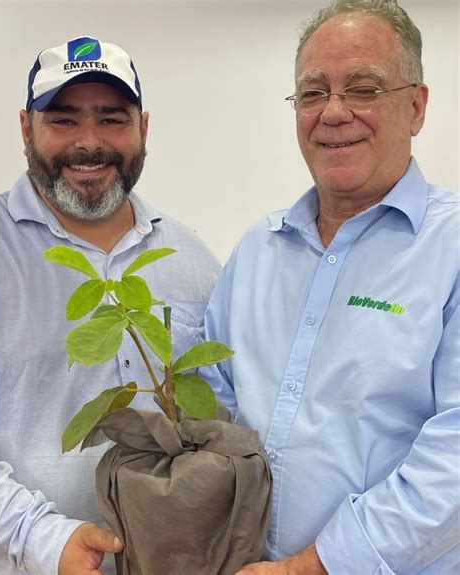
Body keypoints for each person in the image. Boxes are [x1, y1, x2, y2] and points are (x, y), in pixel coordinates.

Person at [202, 1, 459, 573]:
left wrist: (312, 566)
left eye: (363, 88)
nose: (334, 113)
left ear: (416, 107)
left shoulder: (452, 247)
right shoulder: (258, 250)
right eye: (313, 93)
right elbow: (211, 396)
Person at [0, 36, 221, 575]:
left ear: (143, 128)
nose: (89, 144)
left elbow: (216, 408)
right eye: (64, 121)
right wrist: (42, 541)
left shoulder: (191, 256)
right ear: (26, 129)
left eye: (112, 119)